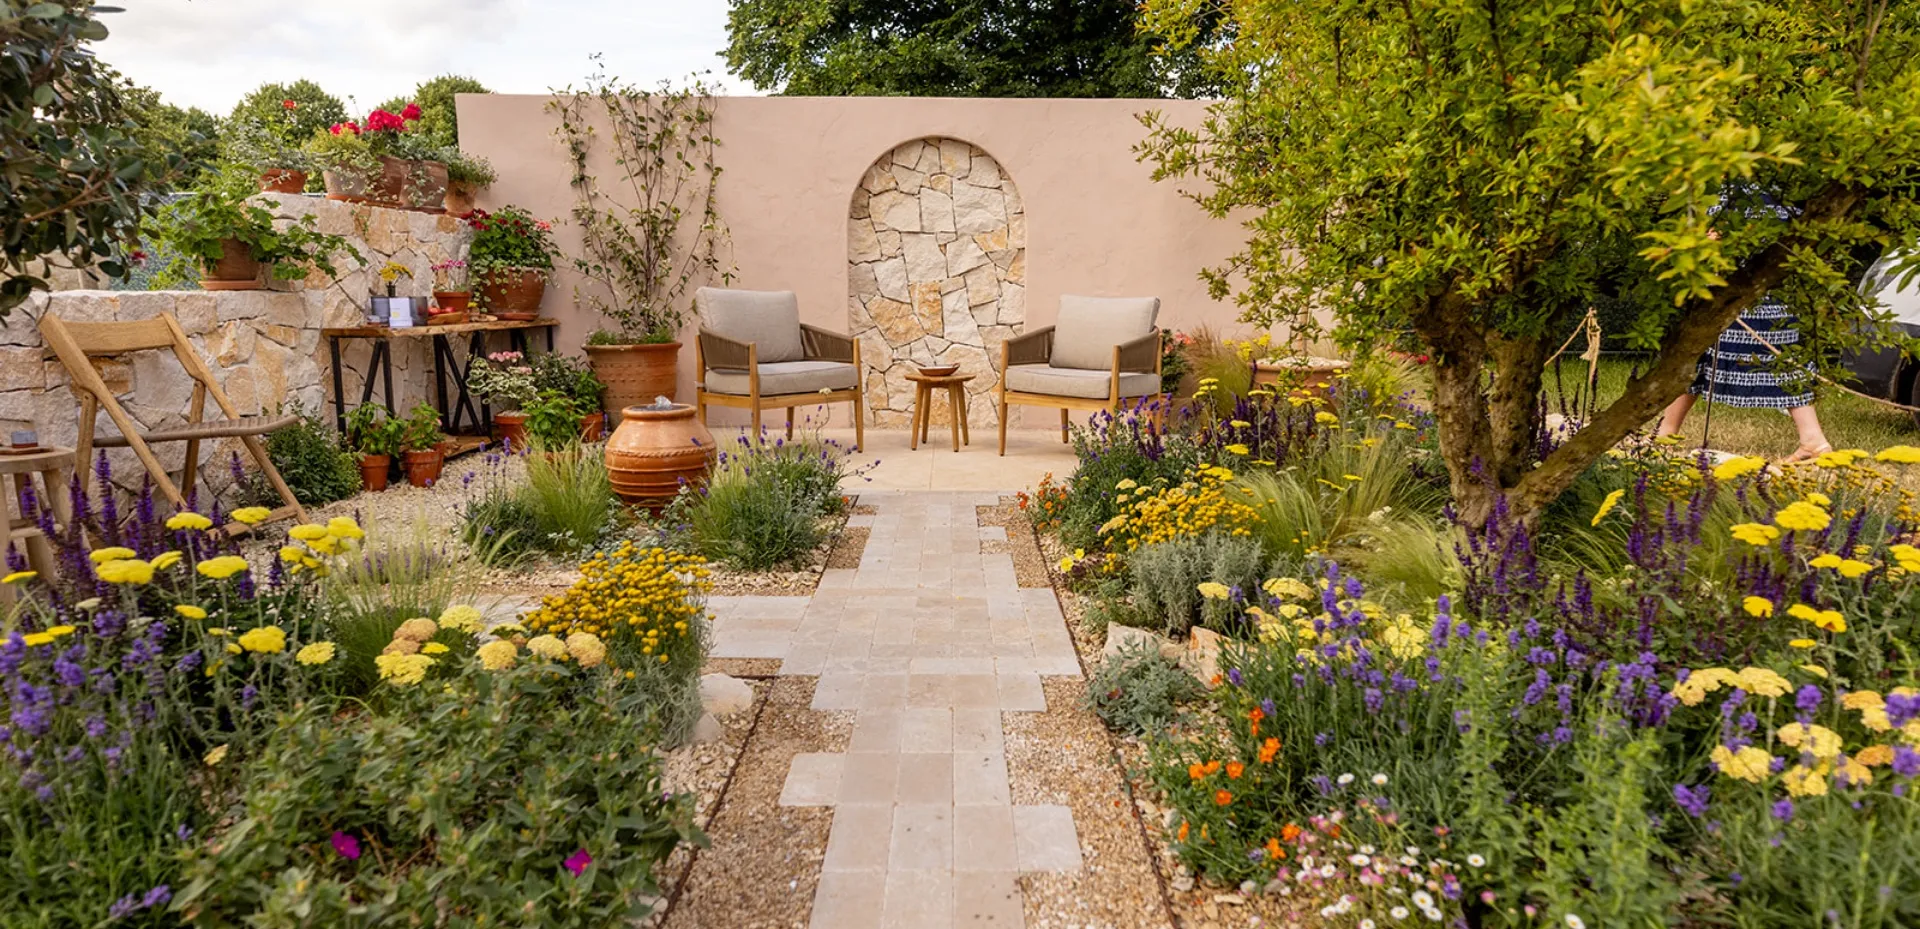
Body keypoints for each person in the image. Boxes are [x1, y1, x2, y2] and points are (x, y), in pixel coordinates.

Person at [1654, 294, 1832, 462]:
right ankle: (1812, 439)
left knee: (1695, 351)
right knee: (1696, 354)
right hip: (1773, 298)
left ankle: (1666, 434)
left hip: (1747, 298)